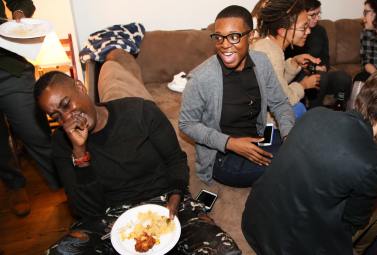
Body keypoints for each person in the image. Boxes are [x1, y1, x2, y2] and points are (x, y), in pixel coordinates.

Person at [34, 60, 241, 254]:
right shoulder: (62, 144)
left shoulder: (140, 112)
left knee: (223, 249)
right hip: (108, 216)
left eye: (66, 104)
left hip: (164, 202)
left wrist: (176, 194)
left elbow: (175, 160)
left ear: (80, 87)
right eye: (57, 116)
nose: (67, 118)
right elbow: (85, 211)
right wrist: (80, 154)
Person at [241, 68, 377, 255]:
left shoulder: (314, 113)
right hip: (293, 247)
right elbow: (354, 222)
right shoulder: (373, 163)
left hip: (254, 223)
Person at [179, 5, 295, 188]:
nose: (224, 45)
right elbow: (186, 124)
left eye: (234, 37)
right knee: (290, 166)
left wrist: (289, 135)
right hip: (223, 156)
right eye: (219, 37)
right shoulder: (201, 78)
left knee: (302, 147)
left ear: (251, 36)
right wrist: (230, 143)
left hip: (259, 137)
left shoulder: (262, 62)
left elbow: (280, 103)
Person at [0, 0, 56, 217]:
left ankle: (63, 184)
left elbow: (22, 1)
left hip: (7, 67)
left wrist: (19, 13)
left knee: (36, 132)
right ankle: (15, 185)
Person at [251, 0, 321, 117]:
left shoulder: (269, 46)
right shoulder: (270, 54)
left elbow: (275, 83)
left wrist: (293, 63)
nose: (308, 31)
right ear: (282, 31)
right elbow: (283, 99)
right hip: (260, 119)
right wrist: (304, 85)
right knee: (299, 109)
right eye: (304, 27)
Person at [284, 0, 352, 109]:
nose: (317, 18)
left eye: (318, 14)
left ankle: (339, 104)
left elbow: (325, 56)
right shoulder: (295, 32)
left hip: (320, 71)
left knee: (343, 78)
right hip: (299, 74)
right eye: (313, 15)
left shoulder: (320, 31)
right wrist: (313, 67)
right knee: (321, 77)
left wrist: (324, 66)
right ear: (303, 14)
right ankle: (315, 109)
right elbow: (291, 61)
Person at [354, 0, 377, 82]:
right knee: (359, 78)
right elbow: (366, 62)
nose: (362, 18)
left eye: (365, 12)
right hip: (373, 73)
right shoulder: (366, 33)